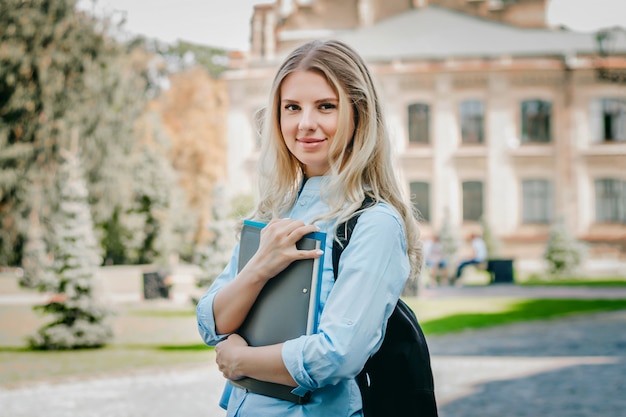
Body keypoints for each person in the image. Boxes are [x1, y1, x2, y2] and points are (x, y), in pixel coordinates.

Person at [196, 39, 422, 417]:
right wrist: (259, 268)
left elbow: (338, 353)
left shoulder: (373, 223)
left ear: (359, 114)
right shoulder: (274, 212)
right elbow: (211, 322)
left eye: (326, 107)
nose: (305, 124)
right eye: (292, 108)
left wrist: (243, 362)